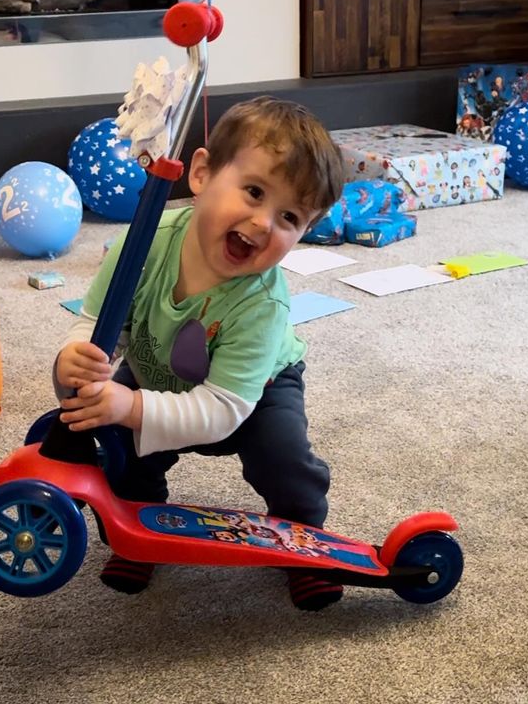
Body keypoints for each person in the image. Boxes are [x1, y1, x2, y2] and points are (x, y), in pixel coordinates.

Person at [54, 96, 347, 610]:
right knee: (109, 437)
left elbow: (222, 411)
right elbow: (98, 331)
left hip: (253, 391)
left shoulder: (262, 304)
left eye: (289, 218)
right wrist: (73, 359)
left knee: (283, 460)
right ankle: (137, 526)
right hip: (152, 371)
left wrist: (134, 407)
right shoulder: (142, 244)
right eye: (253, 192)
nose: (262, 224)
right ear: (202, 174)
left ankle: (304, 541)